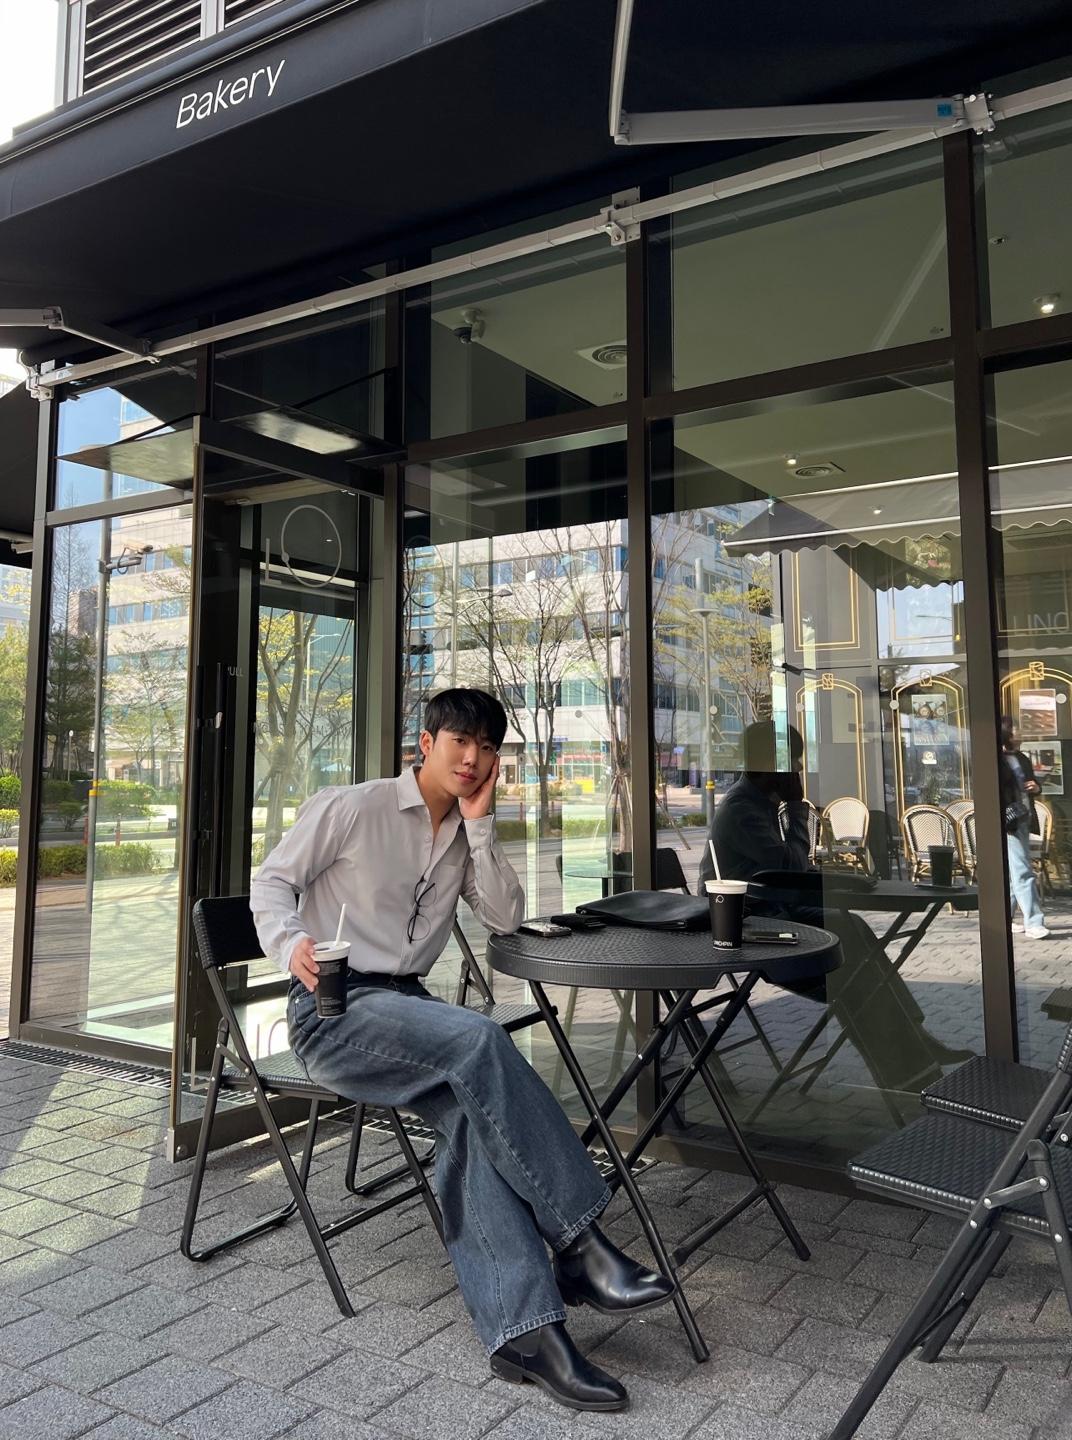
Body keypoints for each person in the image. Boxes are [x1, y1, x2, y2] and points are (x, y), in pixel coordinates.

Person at [251, 687, 671, 1413]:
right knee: (479, 1036)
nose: (473, 759)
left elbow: (505, 917)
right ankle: (580, 1242)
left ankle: (527, 1335)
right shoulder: (351, 807)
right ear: (427, 743)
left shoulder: (463, 829)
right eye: (460, 743)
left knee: (473, 1125)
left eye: (486, 748)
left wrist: (479, 828)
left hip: (409, 1015)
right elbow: (271, 882)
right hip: (333, 1011)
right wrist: (293, 946)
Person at [698, 720, 972, 1091]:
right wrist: (797, 808)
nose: (798, 769)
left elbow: (784, 870)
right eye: (794, 761)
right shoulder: (741, 809)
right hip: (748, 926)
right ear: (771, 764)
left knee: (852, 929)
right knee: (855, 972)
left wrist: (830, 878)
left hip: (775, 911)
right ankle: (909, 1071)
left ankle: (914, 1037)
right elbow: (788, 866)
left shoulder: (757, 803)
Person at [1001, 716, 1048, 939]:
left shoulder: (1022, 758)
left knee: (1015, 872)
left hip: (1024, 818)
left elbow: (1033, 785)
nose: (1020, 733)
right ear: (1007, 734)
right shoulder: (996, 759)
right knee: (1023, 871)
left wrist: (1035, 787)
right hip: (1008, 822)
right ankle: (1034, 922)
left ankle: (1005, 918)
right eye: (1016, 729)